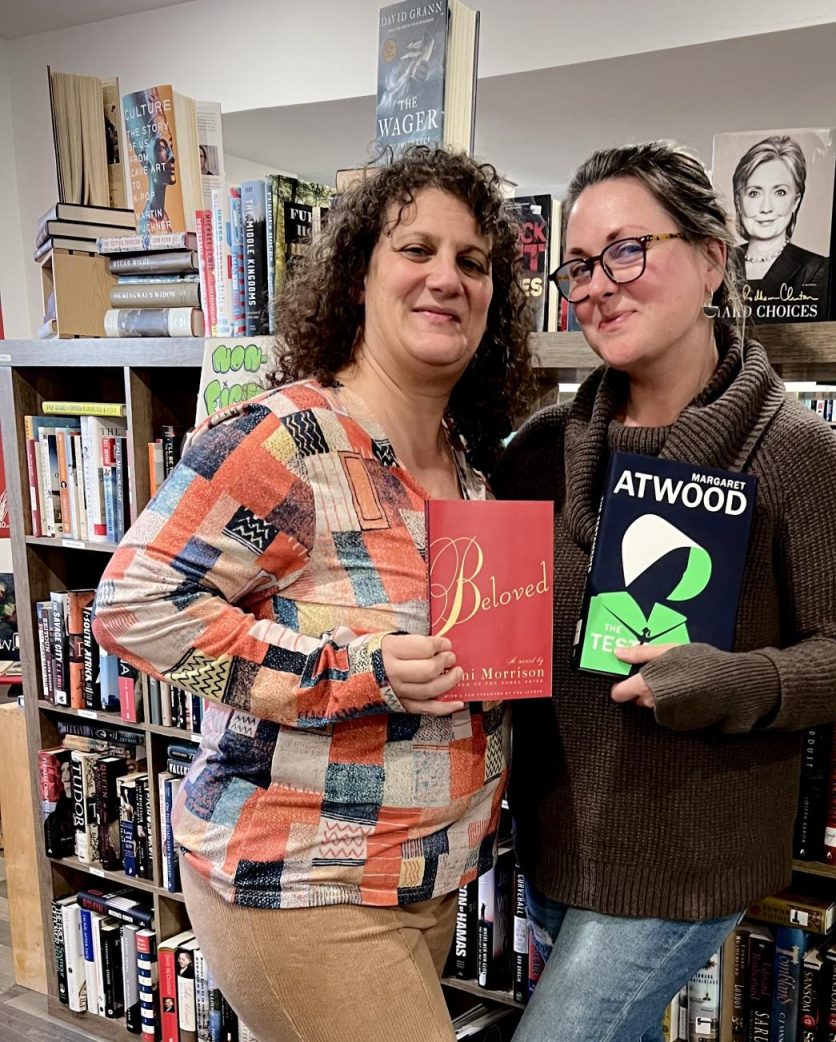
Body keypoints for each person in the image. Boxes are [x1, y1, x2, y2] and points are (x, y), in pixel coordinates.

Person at [92, 146, 537, 1042]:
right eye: (416, 250)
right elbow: (137, 606)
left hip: (426, 881)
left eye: (473, 261)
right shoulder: (290, 444)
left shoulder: (475, 475)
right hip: (302, 881)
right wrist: (356, 670)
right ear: (359, 277)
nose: (446, 277)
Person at [491, 141, 836, 1042]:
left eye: (629, 250)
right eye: (579, 266)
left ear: (711, 259)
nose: (599, 285)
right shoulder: (541, 449)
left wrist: (726, 681)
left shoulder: (792, 448)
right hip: (552, 839)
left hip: (684, 856)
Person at [730, 135, 830, 319]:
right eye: (754, 193)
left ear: (796, 201)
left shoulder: (817, 270)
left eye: (780, 192)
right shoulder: (717, 265)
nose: (766, 207)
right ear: (738, 201)